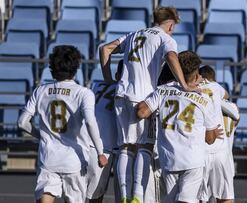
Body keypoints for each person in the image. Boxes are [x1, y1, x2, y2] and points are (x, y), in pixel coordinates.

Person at [100, 7, 199, 203]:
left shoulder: (134, 34)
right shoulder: (165, 38)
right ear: (170, 24)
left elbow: (105, 49)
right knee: (145, 145)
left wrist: (109, 80)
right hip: (143, 97)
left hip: (121, 94)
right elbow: (171, 57)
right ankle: (137, 195)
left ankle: (126, 196)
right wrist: (184, 85)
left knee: (126, 147)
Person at [17, 45, 108, 203]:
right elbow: (90, 122)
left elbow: (22, 122)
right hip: (74, 161)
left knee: (45, 198)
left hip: (48, 159)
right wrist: (100, 152)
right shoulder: (84, 93)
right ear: (76, 68)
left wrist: (43, 136)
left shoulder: (40, 91)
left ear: (52, 68)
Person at [136, 51, 222, 203]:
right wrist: (211, 131)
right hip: (193, 161)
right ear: (197, 75)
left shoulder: (162, 90)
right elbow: (210, 139)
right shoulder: (204, 98)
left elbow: (142, 112)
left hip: (169, 159)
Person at [198, 65, 239, 203]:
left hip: (203, 152)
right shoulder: (232, 108)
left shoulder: (197, 97)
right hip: (225, 158)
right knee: (225, 198)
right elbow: (236, 116)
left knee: (200, 198)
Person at [86, 60, 124, 203]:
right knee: (119, 194)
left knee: (95, 195)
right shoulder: (128, 89)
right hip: (107, 145)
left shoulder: (97, 85)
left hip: (95, 143)